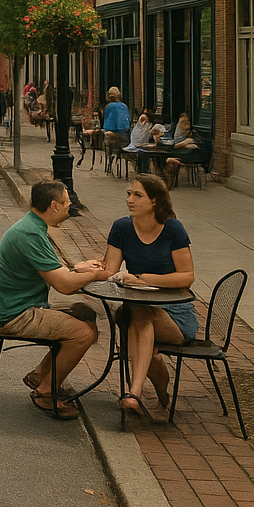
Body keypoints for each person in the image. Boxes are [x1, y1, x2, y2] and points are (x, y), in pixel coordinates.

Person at [0, 180, 108, 419]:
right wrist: (97, 274)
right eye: (66, 203)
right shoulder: (30, 233)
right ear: (54, 205)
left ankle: (40, 374)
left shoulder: (32, 226)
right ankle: (45, 391)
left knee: (85, 313)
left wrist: (77, 268)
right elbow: (64, 285)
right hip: (19, 315)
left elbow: (53, 270)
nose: (69, 207)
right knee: (83, 334)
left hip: (22, 305)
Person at [101, 174, 196, 421]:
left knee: (140, 317)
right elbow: (109, 270)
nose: (130, 200)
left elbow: (186, 277)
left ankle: (135, 392)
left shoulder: (173, 228)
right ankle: (147, 391)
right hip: (136, 306)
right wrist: (84, 270)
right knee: (141, 323)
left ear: (154, 200)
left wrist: (143, 278)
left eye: (137, 195)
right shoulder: (122, 227)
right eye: (129, 194)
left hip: (174, 313)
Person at [160, 113, 198, 187]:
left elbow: (178, 145)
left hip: (186, 156)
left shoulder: (190, 141)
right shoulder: (187, 138)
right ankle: (168, 179)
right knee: (167, 159)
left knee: (169, 160)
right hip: (181, 151)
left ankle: (170, 180)